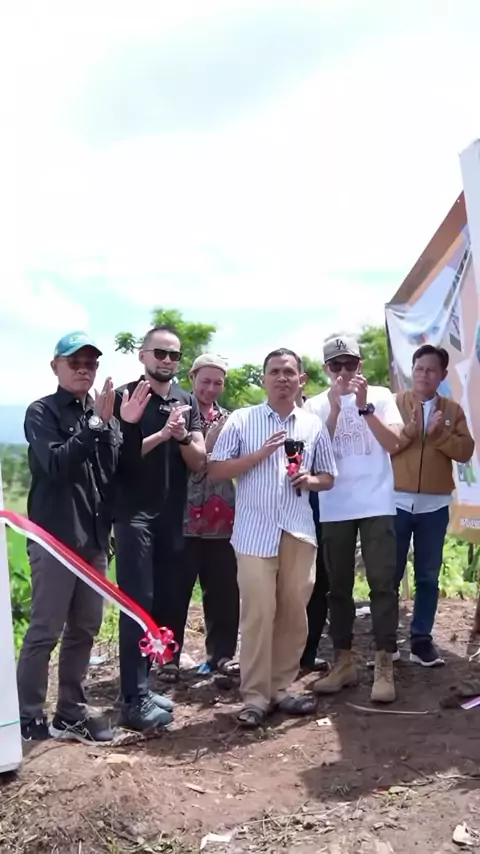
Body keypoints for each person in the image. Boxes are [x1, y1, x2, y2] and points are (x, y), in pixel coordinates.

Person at [17, 331, 149, 743]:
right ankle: (27, 716)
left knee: (85, 629)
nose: (83, 370)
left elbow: (118, 471)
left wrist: (126, 427)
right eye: (74, 363)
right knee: (45, 631)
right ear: (55, 366)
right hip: (55, 541)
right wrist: (95, 425)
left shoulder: (102, 414)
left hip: (93, 541)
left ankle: (70, 712)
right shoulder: (42, 412)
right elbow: (57, 464)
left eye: (90, 364)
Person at [209, 348, 337, 728]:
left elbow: (329, 477)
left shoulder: (312, 426)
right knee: (258, 613)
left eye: (289, 372)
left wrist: (310, 480)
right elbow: (216, 470)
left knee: (294, 612)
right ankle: (254, 696)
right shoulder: (242, 420)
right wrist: (258, 455)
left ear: (301, 380)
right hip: (254, 533)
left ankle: (281, 688)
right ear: (264, 379)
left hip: (298, 529)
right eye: (275, 371)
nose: (282, 378)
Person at [113, 324, 206, 732]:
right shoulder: (125, 398)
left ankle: (144, 687)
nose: (167, 361)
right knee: (137, 603)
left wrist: (182, 437)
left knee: (163, 603)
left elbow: (199, 460)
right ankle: (132, 700)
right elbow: (118, 458)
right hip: (134, 516)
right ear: (142, 356)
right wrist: (161, 435)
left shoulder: (187, 400)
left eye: (174, 355)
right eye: (160, 353)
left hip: (172, 517)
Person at [306, 335, 402, 703]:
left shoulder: (381, 395)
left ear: (359, 364)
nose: (344, 372)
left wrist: (364, 408)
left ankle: (384, 664)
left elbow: (394, 444)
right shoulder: (315, 405)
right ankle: (343, 662)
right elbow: (315, 455)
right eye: (336, 365)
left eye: (350, 364)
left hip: (377, 502)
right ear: (326, 368)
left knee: (382, 585)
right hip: (335, 506)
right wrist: (334, 409)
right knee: (338, 588)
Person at [392, 344, 474, 666]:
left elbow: (465, 451)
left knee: (427, 576)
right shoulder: (394, 404)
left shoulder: (453, 410)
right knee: (389, 574)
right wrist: (412, 431)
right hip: (395, 502)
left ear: (442, 375)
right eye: (419, 369)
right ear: (412, 371)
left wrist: (439, 435)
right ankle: (386, 642)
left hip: (435, 506)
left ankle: (421, 641)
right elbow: (385, 446)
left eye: (431, 370)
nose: (424, 375)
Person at [179, 353, 239, 676]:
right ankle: (167, 658)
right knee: (175, 593)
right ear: (192, 378)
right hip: (180, 519)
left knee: (223, 592)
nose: (211, 388)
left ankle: (222, 656)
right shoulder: (176, 415)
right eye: (205, 381)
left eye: (218, 383)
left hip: (222, 521)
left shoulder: (232, 421)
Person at [296, 389, 329, 673]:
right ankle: (284, 654)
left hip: (322, 511)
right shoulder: (260, 419)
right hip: (284, 517)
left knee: (319, 584)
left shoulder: (318, 414)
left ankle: (308, 652)